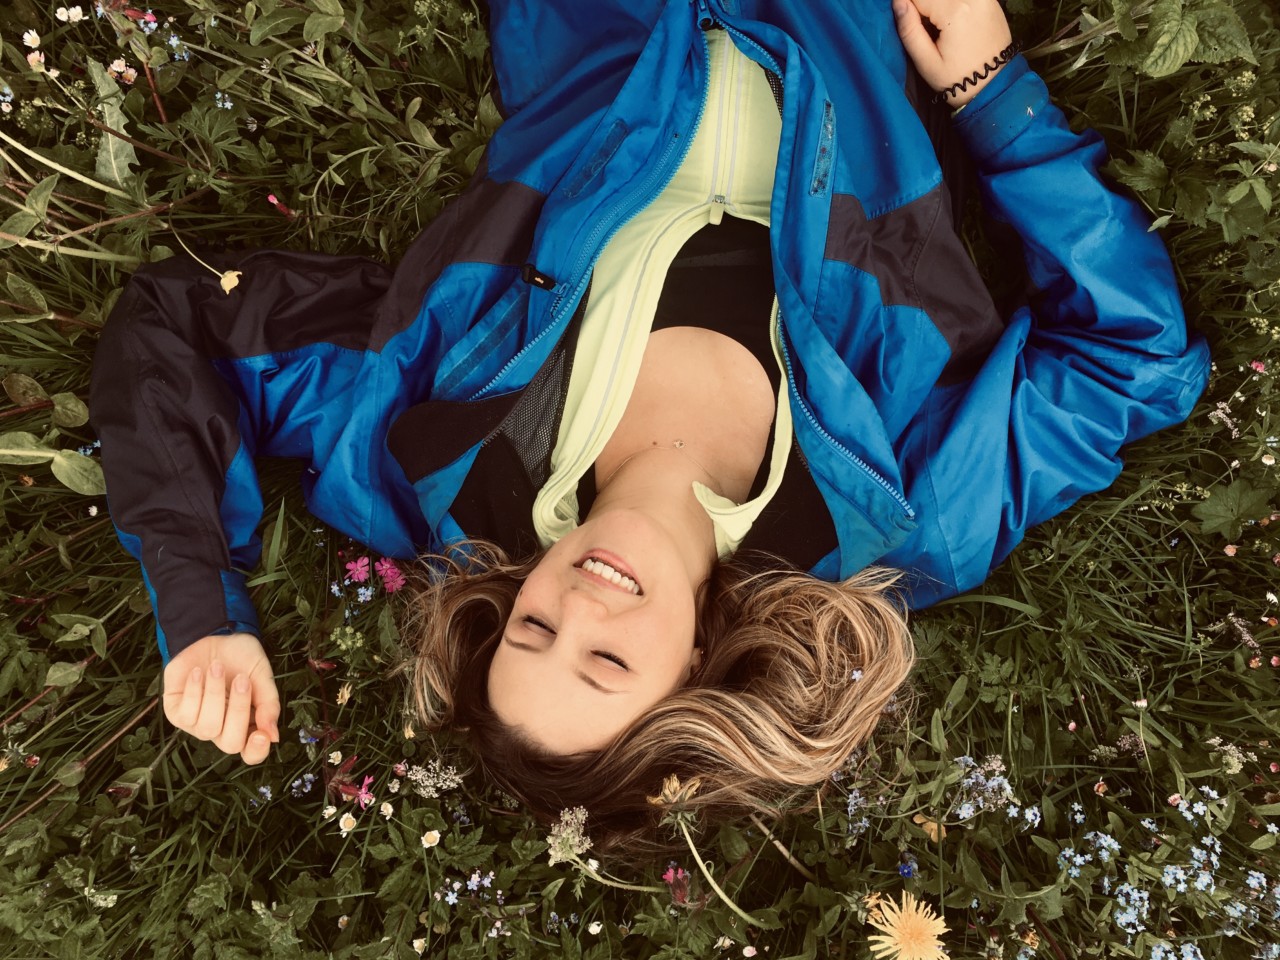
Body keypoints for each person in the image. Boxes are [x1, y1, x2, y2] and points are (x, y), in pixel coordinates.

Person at [91, 0, 1210, 852]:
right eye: (608, 660)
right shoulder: (906, 518)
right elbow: (1136, 359)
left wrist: (202, 614)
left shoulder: (424, 448)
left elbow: (180, 329)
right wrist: (987, 89)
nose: (578, 604)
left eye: (533, 631)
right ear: (696, 667)